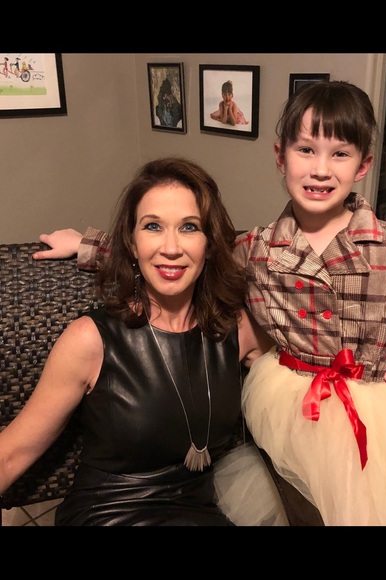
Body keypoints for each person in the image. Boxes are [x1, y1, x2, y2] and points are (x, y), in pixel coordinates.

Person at [33, 81, 386, 526]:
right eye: (306, 150)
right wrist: (88, 245)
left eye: (340, 154)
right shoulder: (259, 247)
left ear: (363, 165)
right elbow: (185, 255)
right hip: (290, 405)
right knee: (299, 506)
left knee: (369, 511)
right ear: (280, 157)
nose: (320, 169)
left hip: (368, 410)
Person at [0, 157, 287, 526]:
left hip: (198, 514)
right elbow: (11, 454)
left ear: (209, 244)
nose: (171, 247)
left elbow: (307, 364)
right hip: (108, 513)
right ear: (132, 244)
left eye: (189, 227)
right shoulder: (90, 340)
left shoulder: (239, 328)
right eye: (153, 226)